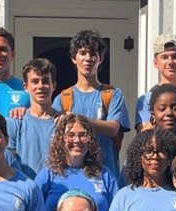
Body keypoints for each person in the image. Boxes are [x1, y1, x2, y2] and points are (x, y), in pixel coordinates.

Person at [53, 29, 130, 183]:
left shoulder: (112, 94)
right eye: (82, 53)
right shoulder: (63, 98)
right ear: (74, 58)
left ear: (100, 59)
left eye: (93, 54)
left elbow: (113, 128)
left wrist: (75, 119)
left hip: (105, 175)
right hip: (71, 176)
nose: (88, 58)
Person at [36, 113, 118, 211]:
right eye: (71, 135)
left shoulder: (105, 175)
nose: (77, 140)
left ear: (90, 140)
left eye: (82, 135)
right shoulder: (47, 175)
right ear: (61, 139)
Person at [6, 58, 59, 178]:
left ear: (54, 85)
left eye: (45, 81)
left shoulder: (62, 123)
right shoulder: (14, 122)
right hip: (24, 190)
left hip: (58, 191)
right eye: (35, 81)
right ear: (25, 86)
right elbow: (7, 162)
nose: (41, 86)